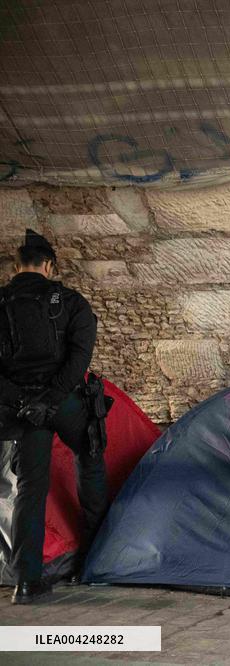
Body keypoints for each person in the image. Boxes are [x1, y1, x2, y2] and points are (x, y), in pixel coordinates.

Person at [0, 229, 105, 604]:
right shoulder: (72, 302)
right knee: (91, 457)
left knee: (31, 487)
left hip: (24, 411)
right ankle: (95, 560)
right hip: (63, 403)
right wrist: (52, 398)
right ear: (48, 266)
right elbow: (80, 358)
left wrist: (26, 402)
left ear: (16, 267)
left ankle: (26, 582)